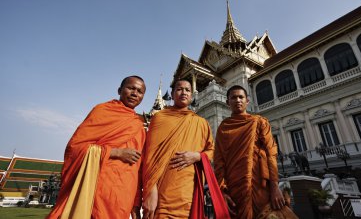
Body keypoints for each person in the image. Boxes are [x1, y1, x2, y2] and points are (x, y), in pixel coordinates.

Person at [47, 76, 146, 219]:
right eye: (131, 88)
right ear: (119, 90)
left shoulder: (138, 126)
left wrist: (136, 204)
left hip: (123, 195)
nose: (135, 93)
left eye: (140, 91)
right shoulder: (102, 111)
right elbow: (74, 148)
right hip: (95, 189)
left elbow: (138, 167)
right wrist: (116, 152)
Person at [214, 85, 298, 219]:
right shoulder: (223, 128)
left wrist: (275, 187)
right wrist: (221, 191)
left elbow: (271, 154)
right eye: (233, 98)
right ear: (227, 102)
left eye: (241, 97)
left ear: (247, 101)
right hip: (234, 187)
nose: (237, 100)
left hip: (259, 185)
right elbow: (219, 161)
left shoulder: (259, 122)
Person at [142, 79, 214, 219]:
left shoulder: (201, 123)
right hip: (163, 189)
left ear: (191, 96)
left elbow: (211, 151)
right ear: (173, 94)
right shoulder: (159, 118)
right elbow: (150, 155)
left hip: (189, 190)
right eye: (179, 89)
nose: (184, 92)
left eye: (187, 90)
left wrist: (197, 156)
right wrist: (150, 189)